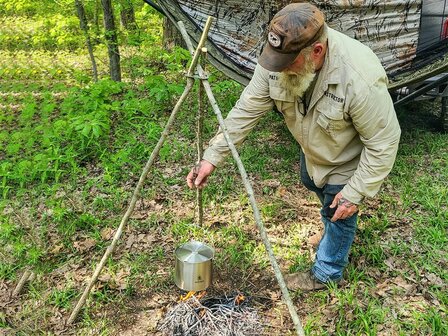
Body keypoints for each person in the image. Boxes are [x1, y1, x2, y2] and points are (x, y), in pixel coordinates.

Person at [186, 2, 401, 291]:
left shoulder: (358, 76)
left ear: (316, 52)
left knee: (338, 207)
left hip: (346, 157)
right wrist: (212, 156)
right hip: (313, 148)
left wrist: (355, 193)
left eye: (288, 62)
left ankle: (327, 272)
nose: (279, 68)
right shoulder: (278, 60)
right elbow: (247, 109)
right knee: (312, 183)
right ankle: (333, 230)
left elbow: (383, 141)